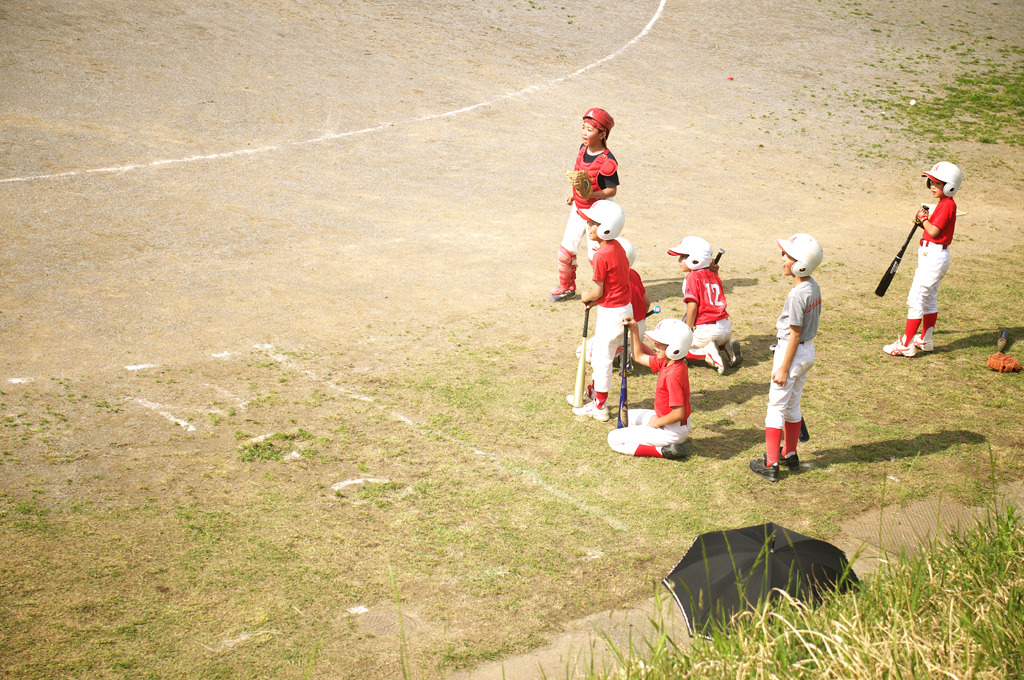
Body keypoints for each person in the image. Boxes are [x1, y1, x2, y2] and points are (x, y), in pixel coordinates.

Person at [749, 234, 823, 482]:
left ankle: (770, 463)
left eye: (788, 256)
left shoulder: (796, 295)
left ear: (801, 263)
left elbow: (794, 334)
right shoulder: (813, 285)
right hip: (807, 351)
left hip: (791, 352)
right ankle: (789, 452)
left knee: (776, 406)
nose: (783, 259)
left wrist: (782, 367)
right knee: (793, 405)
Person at [883, 161, 963, 357]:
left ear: (949, 186)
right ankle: (925, 340)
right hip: (933, 254)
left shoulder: (947, 205)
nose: (932, 187)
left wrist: (924, 219)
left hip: (934, 255)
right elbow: (932, 230)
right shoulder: (945, 204)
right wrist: (923, 222)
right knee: (928, 298)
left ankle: (907, 344)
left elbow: (934, 232)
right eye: (931, 182)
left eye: (937, 183)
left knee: (917, 298)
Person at [550, 108, 620, 302]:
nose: (584, 132)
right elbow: (580, 178)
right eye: (583, 128)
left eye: (589, 129)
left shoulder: (608, 162)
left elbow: (611, 191)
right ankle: (566, 287)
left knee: (596, 255)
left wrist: (591, 194)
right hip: (579, 207)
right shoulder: (582, 150)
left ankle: (605, 291)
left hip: (598, 213)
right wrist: (574, 195)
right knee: (566, 249)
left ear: (602, 134)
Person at [568, 200, 630, 422]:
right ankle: (594, 394)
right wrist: (598, 301)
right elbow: (615, 285)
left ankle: (599, 406)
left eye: (593, 223)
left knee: (601, 360)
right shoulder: (619, 248)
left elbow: (597, 289)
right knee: (601, 356)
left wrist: (587, 296)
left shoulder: (601, 255)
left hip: (612, 314)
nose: (589, 226)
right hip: (622, 308)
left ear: (606, 227)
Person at [607, 317, 693, 459]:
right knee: (625, 417)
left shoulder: (673, 375)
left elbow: (679, 413)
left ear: (675, 347)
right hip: (670, 422)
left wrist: (657, 422)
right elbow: (639, 357)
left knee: (614, 439)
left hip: (672, 430)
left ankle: (665, 451)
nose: (655, 345)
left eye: (661, 344)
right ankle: (652, 437)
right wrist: (634, 330)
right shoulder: (668, 362)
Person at [667, 236, 741, 373]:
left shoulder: (692, 277)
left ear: (695, 258)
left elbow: (692, 306)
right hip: (725, 327)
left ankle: (707, 353)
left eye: (683, 256)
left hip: (708, 331)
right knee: (713, 340)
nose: (679, 261)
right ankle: (727, 346)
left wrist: (687, 329)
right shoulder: (714, 275)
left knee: (676, 350)